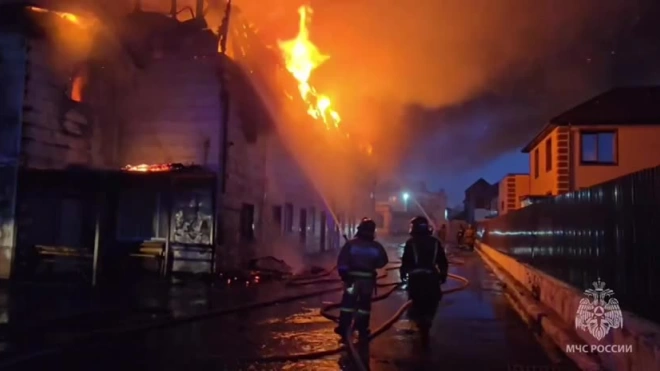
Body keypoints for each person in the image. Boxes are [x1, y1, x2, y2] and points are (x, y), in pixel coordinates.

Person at [335, 217, 389, 342]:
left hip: (351, 280)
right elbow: (383, 262)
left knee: (348, 303)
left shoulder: (351, 244)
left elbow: (342, 262)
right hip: (367, 282)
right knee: (364, 305)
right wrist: (371, 265)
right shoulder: (376, 247)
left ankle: (344, 327)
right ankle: (362, 329)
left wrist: (344, 276)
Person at [400, 216, 449, 347]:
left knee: (416, 303)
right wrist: (443, 275)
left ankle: (420, 324)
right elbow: (442, 261)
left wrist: (403, 274)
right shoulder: (435, 242)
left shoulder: (411, 243)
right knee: (432, 302)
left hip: (416, 280)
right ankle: (426, 325)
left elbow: (406, 261)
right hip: (432, 279)